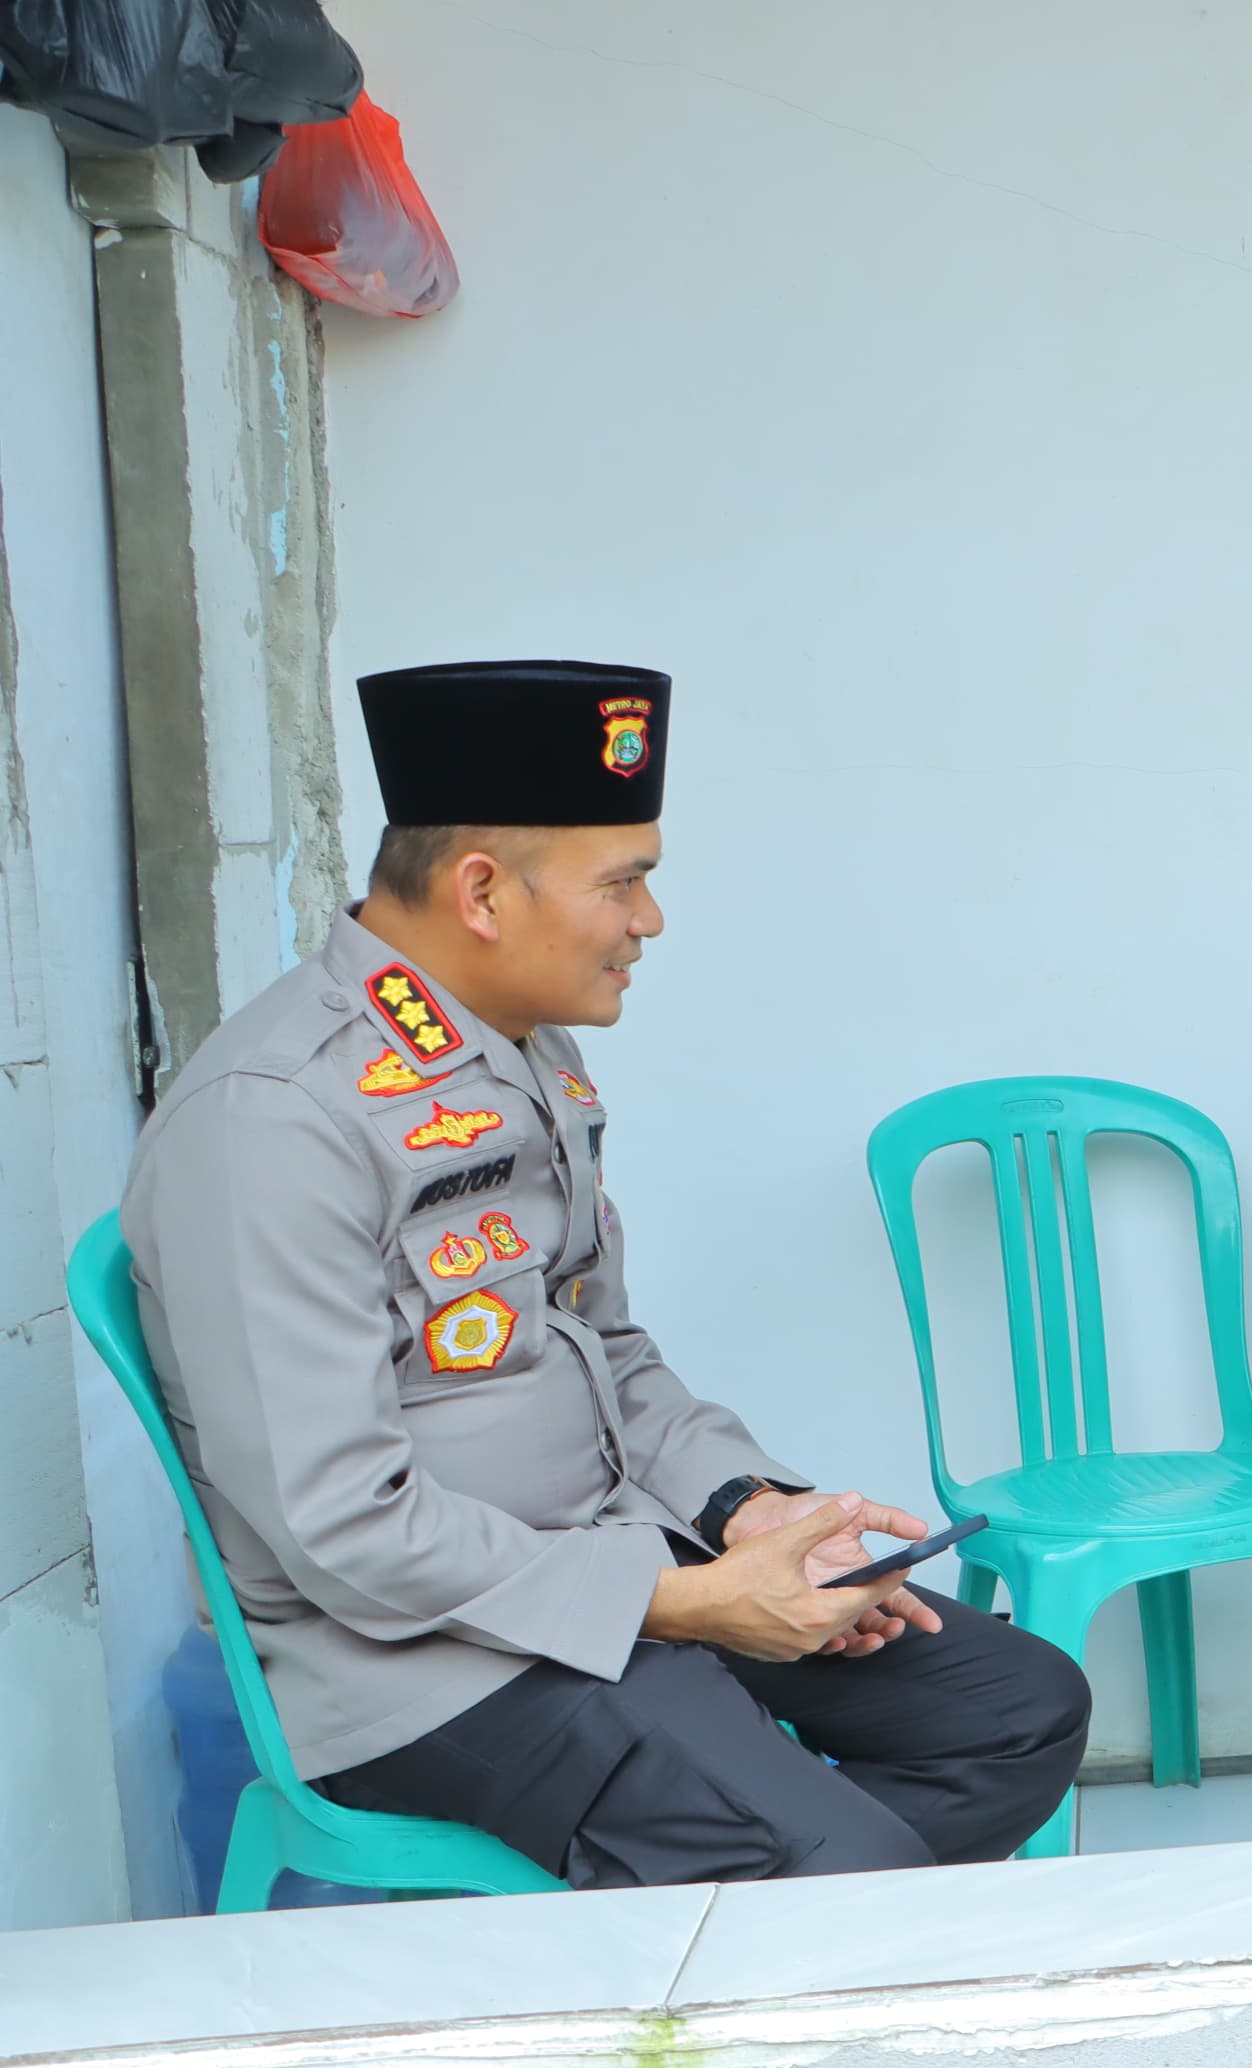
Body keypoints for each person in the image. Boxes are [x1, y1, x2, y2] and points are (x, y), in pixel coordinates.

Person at [120, 662, 1090, 1886]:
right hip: (421, 1662)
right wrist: (689, 1605)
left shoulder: (520, 1050)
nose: (651, 921)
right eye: (625, 883)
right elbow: (342, 1526)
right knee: (841, 1872)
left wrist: (752, 1513)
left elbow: (605, 1349)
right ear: (482, 891)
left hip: (614, 1561)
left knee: (1015, 1709)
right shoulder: (274, 1121)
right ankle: (796, 1917)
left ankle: (757, 1923)